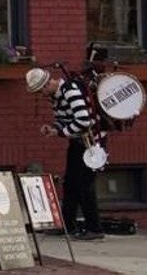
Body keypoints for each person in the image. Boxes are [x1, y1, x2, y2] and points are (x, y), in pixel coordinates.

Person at [49, 45, 108, 240]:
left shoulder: (70, 91)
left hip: (92, 144)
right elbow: (65, 118)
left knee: (85, 185)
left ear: (48, 84)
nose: (41, 94)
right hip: (77, 142)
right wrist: (56, 128)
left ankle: (95, 228)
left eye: (41, 89)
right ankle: (69, 225)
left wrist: (61, 132)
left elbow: (83, 121)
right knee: (70, 183)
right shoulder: (56, 96)